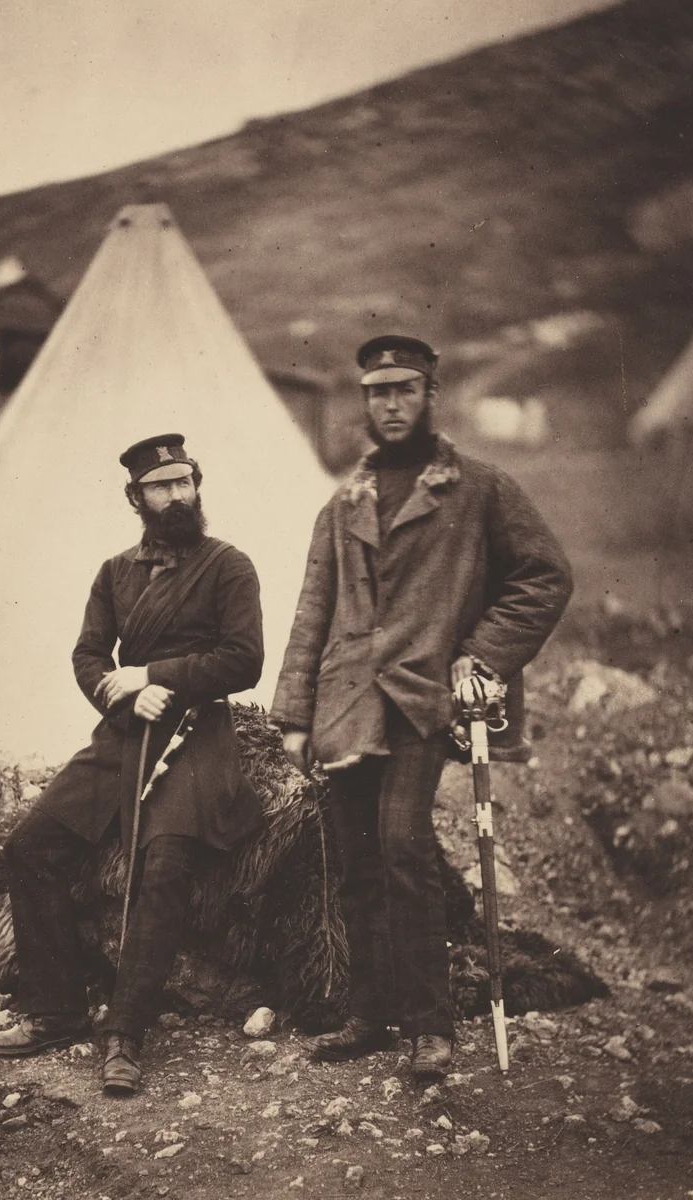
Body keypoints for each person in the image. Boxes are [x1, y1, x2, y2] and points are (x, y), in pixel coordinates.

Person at [270, 335, 573, 1079]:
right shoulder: (342, 503)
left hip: (422, 699)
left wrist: (483, 656)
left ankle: (431, 1029)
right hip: (346, 704)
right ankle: (369, 1015)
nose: (392, 403)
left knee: (404, 848)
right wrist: (295, 715)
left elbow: (544, 578)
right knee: (356, 865)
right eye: (378, 392)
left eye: (406, 389)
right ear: (365, 402)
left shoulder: (479, 489)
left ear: (431, 395)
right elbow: (313, 610)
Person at [0, 433, 264, 1097]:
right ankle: (56, 1011)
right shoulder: (115, 573)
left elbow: (243, 659)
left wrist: (157, 675)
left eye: (185, 482)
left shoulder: (229, 567)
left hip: (199, 732)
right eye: (161, 487)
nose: (176, 496)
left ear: (198, 486)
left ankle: (126, 1034)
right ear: (136, 498)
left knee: (163, 859)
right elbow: (86, 655)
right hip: (124, 733)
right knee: (30, 846)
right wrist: (116, 688)